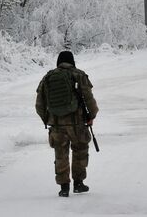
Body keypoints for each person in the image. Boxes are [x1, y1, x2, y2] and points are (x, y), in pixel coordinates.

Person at [35, 51, 99, 198]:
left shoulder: (48, 77)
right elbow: (89, 99)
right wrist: (91, 115)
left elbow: (39, 105)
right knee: (80, 150)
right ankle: (78, 184)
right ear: (72, 61)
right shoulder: (79, 75)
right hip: (77, 123)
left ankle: (64, 187)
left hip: (56, 125)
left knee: (60, 154)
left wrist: (48, 120)